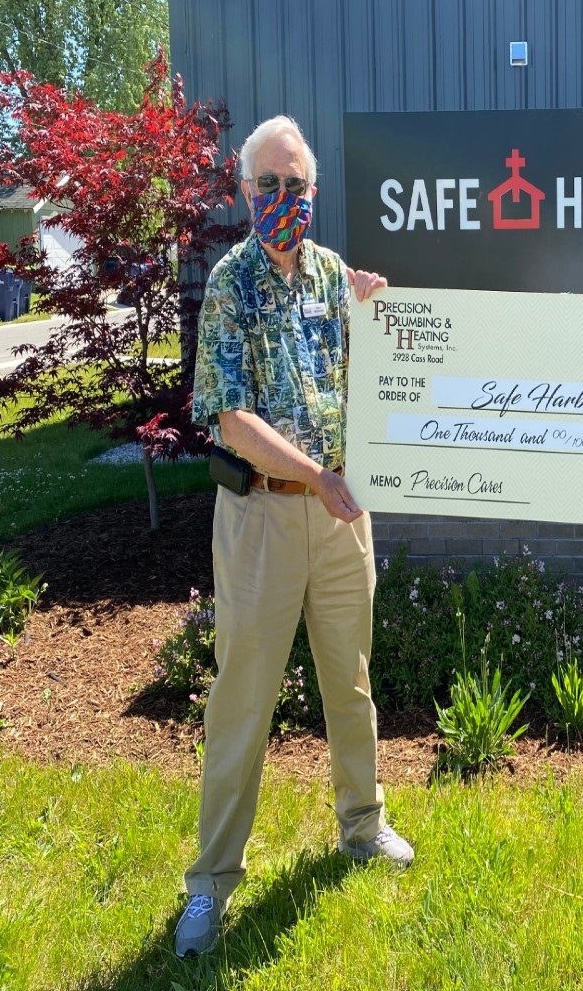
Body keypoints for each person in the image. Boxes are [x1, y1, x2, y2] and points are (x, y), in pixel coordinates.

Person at [175, 115, 413, 958]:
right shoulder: (230, 284)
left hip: (342, 514)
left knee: (350, 681)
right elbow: (229, 418)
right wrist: (315, 475)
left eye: (297, 184)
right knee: (243, 699)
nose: (284, 196)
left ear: (315, 190)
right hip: (265, 517)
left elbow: (381, 375)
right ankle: (210, 884)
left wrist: (381, 315)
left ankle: (362, 825)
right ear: (246, 190)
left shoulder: (335, 276)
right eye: (269, 183)